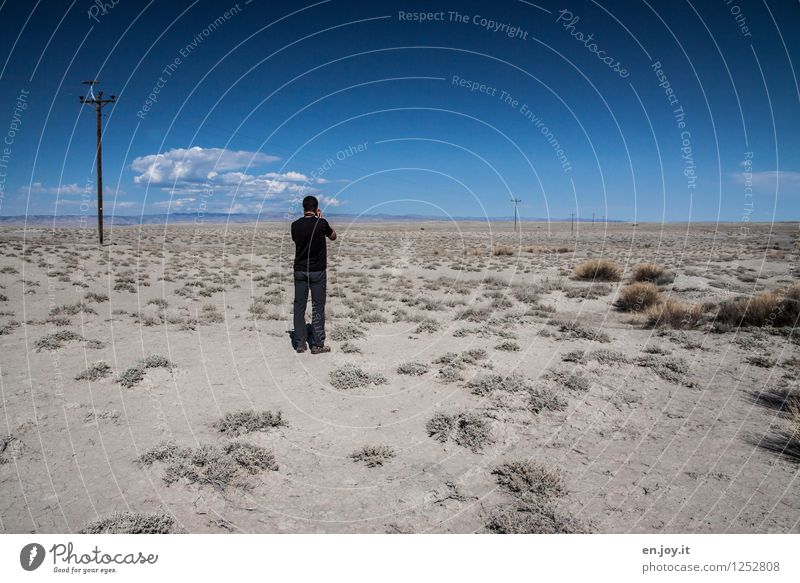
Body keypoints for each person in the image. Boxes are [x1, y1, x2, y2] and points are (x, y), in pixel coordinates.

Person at [291, 195, 337, 353]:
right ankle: (317, 344)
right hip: (317, 271)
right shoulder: (322, 223)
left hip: (300, 270)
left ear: (303, 208)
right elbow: (333, 237)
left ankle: (300, 343)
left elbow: (296, 240)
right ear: (317, 209)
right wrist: (320, 220)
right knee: (318, 306)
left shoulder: (295, 225)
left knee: (299, 306)